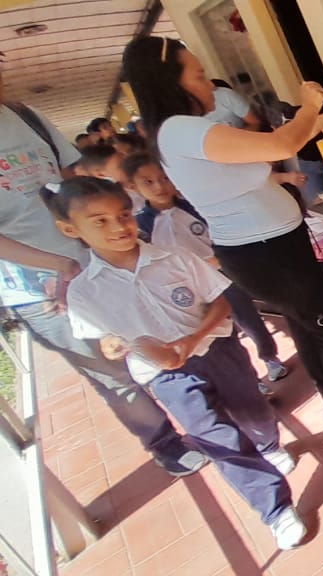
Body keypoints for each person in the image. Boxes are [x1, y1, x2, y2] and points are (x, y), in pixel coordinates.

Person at [121, 36, 323, 436]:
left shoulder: (183, 132)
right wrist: (309, 106)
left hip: (270, 246)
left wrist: (319, 122)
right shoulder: (180, 129)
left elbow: (262, 151)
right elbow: (280, 143)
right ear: (169, 82)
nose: (211, 85)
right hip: (264, 252)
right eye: (200, 75)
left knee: (309, 325)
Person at [49, 177, 307, 550]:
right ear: (70, 229)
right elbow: (103, 339)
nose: (119, 227)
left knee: (253, 410)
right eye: (100, 221)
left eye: (123, 215)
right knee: (217, 438)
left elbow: (219, 299)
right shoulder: (84, 291)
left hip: (218, 351)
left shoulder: (174, 257)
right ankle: (275, 509)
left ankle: (268, 445)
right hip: (164, 375)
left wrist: (191, 338)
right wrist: (114, 346)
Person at [0, 73, 204, 477]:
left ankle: (207, 407)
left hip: (97, 258)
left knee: (162, 328)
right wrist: (61, 266)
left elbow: (70, 184)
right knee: (112, 370)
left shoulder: (24, 115)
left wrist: (109, 233)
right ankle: (165, 442)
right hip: (38, 287)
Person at [122, 152, 291, 389]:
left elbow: (224, 235)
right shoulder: (142, 226)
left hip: (221, 276)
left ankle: (270, 357)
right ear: (132, 186)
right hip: (184, 289)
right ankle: (251, 379)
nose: (159, 186)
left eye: (164, 178)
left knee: (247, 318)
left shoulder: (195, 208)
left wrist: (219, 259)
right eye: (147, 181)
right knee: (218, 333)